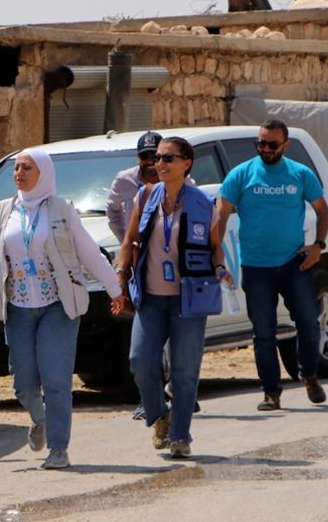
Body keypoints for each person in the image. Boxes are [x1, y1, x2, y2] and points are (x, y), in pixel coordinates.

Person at [0, 148, 122, 470]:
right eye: (16, 168)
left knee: (56, 380)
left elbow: (89, 252)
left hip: (58, 306)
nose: (18, 173)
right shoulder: (2, 212)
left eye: (27, 167)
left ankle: (58, 448)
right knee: (22, 383)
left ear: (44, 173)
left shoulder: (62, 210)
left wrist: (116, 289)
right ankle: (39, 419)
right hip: (18, 308)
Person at [110, 137, 230, 459]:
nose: (159, 164)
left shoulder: (203, 203)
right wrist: (121, 276)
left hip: (188, 298)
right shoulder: (145, 196)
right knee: (140, 361)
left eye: (168, 158)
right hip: (150, 298)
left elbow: (215, 245)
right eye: (157, 158)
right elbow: (129, 241)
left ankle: (180, 435)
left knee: (184, 371)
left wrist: (220, 267)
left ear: (186, 163)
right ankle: (158, 414)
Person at [216, 119, 328, 411]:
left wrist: (318, 246)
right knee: (263, 331)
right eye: (261, 143)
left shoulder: (300, 174)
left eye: (272, 144)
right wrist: (216, 257)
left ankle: (309, 375)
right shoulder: (241, 175)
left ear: (285, 145)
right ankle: (271, 392)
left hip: (294, 263)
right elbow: (221, 216)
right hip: (256, 267)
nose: (265, 149)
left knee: (307, 320)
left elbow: (322, 210)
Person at [106, 131, 197, 421]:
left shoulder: (190, 190)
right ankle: (155, 406)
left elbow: (209, 237)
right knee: (142, 355)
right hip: (147, 279)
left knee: (179, 355)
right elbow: (114, 214)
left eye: (161, 157)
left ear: (184, 163)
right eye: (148, 157)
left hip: (183, 287)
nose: (153, 162)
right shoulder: (132, 186)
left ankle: (180, 409)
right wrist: (130, 250)